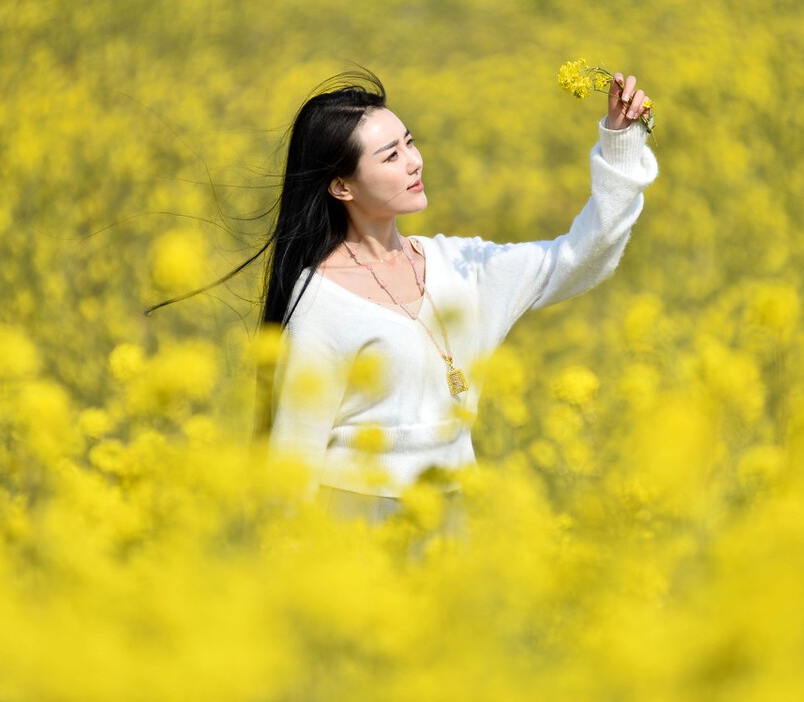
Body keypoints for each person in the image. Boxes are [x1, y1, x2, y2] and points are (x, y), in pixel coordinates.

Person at [256, 68, 657, 528]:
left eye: (410, 142)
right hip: (354, 527)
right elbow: (291, 463)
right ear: (342, 186)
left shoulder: (462, 266)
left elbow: (579, 258)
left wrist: (621, 146)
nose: (413, 162)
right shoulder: (319, 303)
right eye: (390, 156)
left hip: (456, 514)